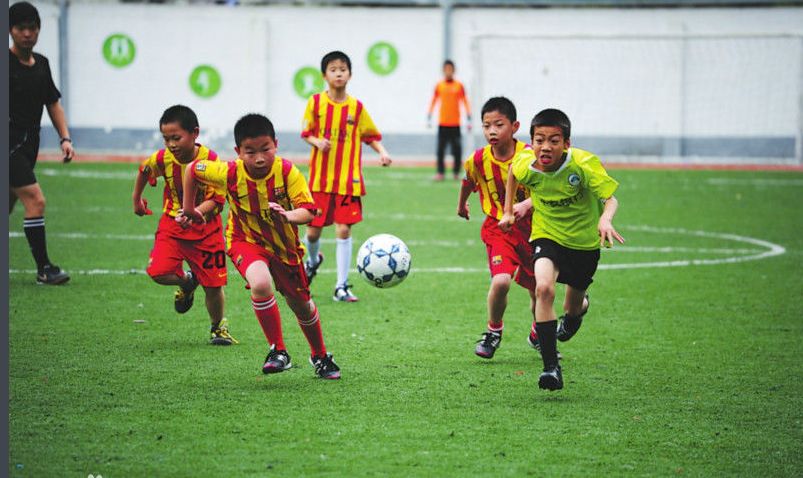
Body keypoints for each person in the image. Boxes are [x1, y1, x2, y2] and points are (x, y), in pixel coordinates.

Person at [182, 113, 341, 379]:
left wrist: (289, 215)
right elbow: (191, 169)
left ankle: (320, 356)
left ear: (275, 145)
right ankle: (278, 351)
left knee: (302, 306)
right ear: (238, 151)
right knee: (260, 283)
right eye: (250, 151)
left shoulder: (288, 172)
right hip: (245, 241)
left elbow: (309, 211)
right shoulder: (228, 172)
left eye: (265, 150)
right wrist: (190, 209)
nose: (258, 158)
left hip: (285, 249)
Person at [501, 108, 624, 391]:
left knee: (572, 306)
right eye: (539, 140)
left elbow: (610, 199)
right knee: (543, 289)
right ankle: (551, 369)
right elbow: (512, 173)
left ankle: (578, 311)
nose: (546, 147)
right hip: (547, 236)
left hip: (583, 245)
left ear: (566, 143)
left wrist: (605, 219)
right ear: (531, 142)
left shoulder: (582, 164)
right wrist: (510, 210)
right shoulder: (525, 163)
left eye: (554, 140)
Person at [132, 105, 236, 345]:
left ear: (195, 133)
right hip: (172, 227)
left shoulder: (210, 161)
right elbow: (144, 169)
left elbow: (218, 199)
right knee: (157, 272)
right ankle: (187, 281)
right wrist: (137, 199)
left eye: (176, 138)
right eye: (166, 139)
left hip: (206, 230)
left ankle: (218, 327)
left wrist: (195, 212)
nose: (171, 144)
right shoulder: (163, 158)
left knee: (214, 284)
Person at [300, 50, 392, 303]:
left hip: (348, 182)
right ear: (324, 75)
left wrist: (383, 153)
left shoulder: (356, 107)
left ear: (349, 74)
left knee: (343, 231)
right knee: (312, 234)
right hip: (320, 180)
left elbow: (370, 136)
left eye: (343, 68)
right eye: (333, 69)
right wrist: (317, 141)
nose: (338, 73)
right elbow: (306, 132)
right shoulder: (316, 103)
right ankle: (312, 260)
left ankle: (341, 286)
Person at [457, 97, 536, 360]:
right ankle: (493, 331)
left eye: (498, 125)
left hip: (534, 230)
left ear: (514, 126)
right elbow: (468, 181)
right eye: (486, 125)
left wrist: (525, 205)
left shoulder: (531, 155)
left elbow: (547, 188)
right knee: (501, 280)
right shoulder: (478, 159)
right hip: (497, 229)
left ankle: (540, 333)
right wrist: (462, 205)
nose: (492, 131)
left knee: (539, 289)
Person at [9, 1, 75, 285]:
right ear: (10, 30)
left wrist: (65, 138)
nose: (27, 34)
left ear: (38, 30)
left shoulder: (42, 64)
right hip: (9, 146)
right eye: (21, 28)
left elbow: (53, 103)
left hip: (29, 145)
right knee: (36, 200)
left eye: (32, 28)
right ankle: (44, 268)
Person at [428, 59, 471, 181]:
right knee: (440, 150)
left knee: (457, 149)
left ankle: (456, 172)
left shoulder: (459, 86)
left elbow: (464, 100)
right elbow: (434, 100)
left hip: (455, 123)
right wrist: (430, 114)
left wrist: (468, 114)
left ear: (453, 70)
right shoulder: (439, 86)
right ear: (443, 70)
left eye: (450, 69)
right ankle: (440, 172)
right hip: (443, 123)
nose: (448, 71)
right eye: (446, 69)